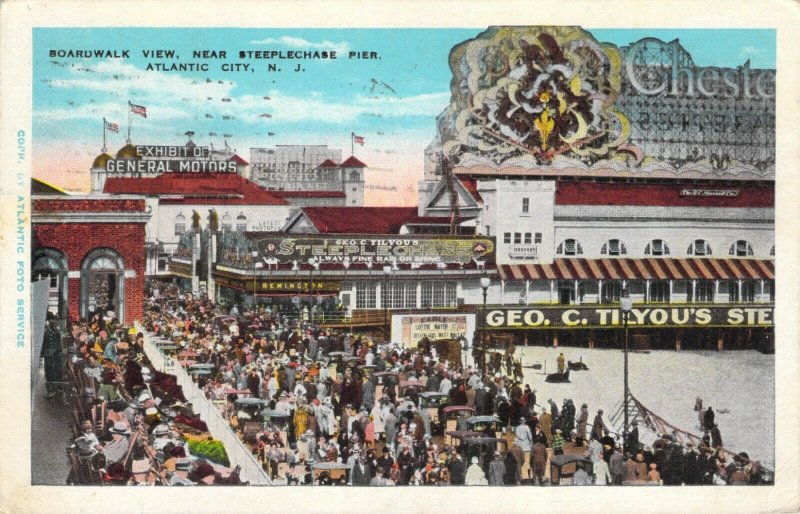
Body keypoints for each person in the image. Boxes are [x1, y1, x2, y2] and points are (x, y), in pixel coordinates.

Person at [42, 320, 64, 398]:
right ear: (50, 325)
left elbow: (60, 343)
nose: (54, 326)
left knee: (58, 370)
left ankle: (58, 387)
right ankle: (50, 390)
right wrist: (42, 353)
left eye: (55, 324)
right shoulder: (46, 333)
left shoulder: (57, 332)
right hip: (48, 354)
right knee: (48, 371)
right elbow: (44, 343)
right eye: (53, 324)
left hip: (56, 354)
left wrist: (60, 352)